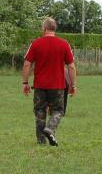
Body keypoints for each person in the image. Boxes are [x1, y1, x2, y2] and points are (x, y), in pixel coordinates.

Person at [22, 17, 77, 146]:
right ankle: (50, 128)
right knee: (58, 111)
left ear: (44, 28)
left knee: (40, 112)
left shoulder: (35, 43)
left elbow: (26, 65)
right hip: (57, 85)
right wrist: (73, 84)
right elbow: (71, 66)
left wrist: (25, 83)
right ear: (54, 29)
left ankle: (41, 142)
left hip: (40, 85)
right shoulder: (64, 44)